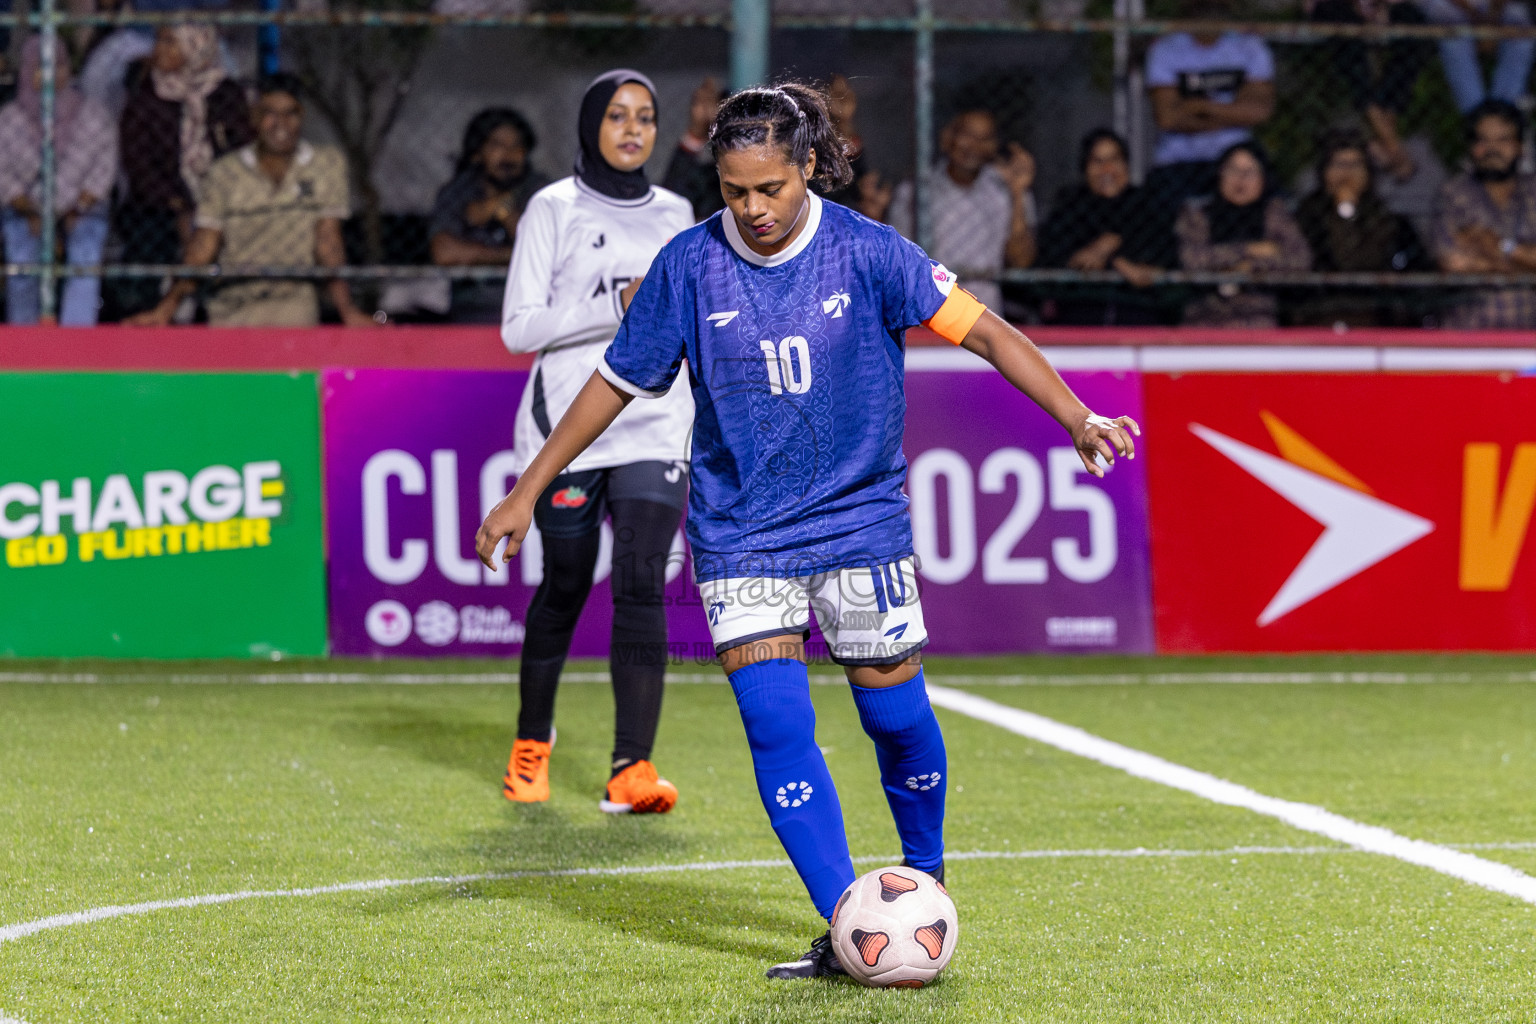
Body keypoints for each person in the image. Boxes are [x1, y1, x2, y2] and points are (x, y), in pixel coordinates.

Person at [475, 81, 1139, 980]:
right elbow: (612, 384)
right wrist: (527, 487)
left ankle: (923, 891)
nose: (750, 209)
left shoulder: (870, 253)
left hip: (860, 525)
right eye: (733, 191)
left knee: (894, 716)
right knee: (776, 725)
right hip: (741, 535)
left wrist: (1075, 415)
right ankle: (848, 926)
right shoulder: (688, 266)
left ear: (809, 169)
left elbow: (987, 333)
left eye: (769, 190)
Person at [496, 70, 695, 815]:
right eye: (617, 115)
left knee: (643, 581)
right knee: (567, 584)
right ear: (591, 124)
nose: (633, 129)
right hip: (569, 428)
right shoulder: (553, 208)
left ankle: (630, 769)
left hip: (655, 422)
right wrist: (615, 304)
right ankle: (530, 743)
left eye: (646, 116)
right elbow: (519, 329)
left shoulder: (678, 212)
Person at [127, 73, 373, 327]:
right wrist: (165, 310)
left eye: (291, 114)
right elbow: (204, 245)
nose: (281, 124)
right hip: (233, 298)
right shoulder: (225, 172)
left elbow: (328, 241)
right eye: (270, 114)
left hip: (292, 299)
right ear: (254, 117)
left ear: (302, 117)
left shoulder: (325, 165)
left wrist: (348, 310)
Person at [116, 24, 251, 318]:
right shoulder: (146, 97)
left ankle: (210, 312)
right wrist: (178, 203)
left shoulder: (226, 94)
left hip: (220, 199)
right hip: (160, 205)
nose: (159, 50)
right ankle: (153, 315)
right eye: (160, 41)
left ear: (195, 47)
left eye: (170, 42)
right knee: (150, 237)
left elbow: (240, 152)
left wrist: (209, 202)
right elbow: (137, 163)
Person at [0, 36, 116, 325]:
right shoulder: (8, 120)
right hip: (26, 210)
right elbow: (3, 175)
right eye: (42, 67)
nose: (53, 74)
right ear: (27, 71)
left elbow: (104, 168)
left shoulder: (94, 114)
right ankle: (25, 338)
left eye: (60, 65)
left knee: (85, 256)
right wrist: (30, 211)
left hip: (81, 208)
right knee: (23, 261)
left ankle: (76, 341)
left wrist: (76, 208)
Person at [888, 108, 1036, 310]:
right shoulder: (917, 191)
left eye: (984, 138)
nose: (974, 146)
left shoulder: (1005, 190)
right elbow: (897, 260)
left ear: (994, 146)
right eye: (967, 135)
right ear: (948, 138)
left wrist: (1018, 194)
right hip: (929, 309)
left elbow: (1021, 261)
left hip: (985, 312)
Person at [1036, 129, 1177, 325]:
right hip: (1078, 315)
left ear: (1126, 165)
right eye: (1097, 161)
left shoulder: (1147, 205)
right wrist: (1116, 261)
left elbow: (1160, 263)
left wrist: (1110, 253)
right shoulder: (1070, 207)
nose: (1107, 169)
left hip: (1139, 313)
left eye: (1115, 160)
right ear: (1084, 168)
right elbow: (1056, 259)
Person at [1144, 1, 1276, 209]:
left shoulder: (1248, 46)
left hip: (1236, 157)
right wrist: (1233, 116)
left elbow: (1259, 112)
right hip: (1178, 160)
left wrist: (1199, 107)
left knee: (1275, 199)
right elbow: (1167, 118)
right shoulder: (1167, 49)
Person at [1294, 128, 1430, 326]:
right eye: (1339, 164)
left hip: (1376, 315)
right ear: (1323, 172)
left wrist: (1346, 213)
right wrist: (1344, 211)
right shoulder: (1305, 219)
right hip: (1320, 315)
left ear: (1368, 174)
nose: (1346, 173)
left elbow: (1360, 263)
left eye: (1355, 164)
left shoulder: (1387, 219)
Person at [428, 107, 550, 323]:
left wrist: (503, 213)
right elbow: (445, 253)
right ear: (478, 152)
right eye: (497, 145)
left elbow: (549, 253)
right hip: (471, 312)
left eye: (517, 146)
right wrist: (513, 255)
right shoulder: (459, 191)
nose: (508, 155)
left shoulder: (542, 191)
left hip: (534, 310)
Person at [1175, 140, 1311, 328]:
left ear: (1264, 178)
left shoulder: (1274, 213)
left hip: (1260, 315)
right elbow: (1193, 260)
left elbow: (1299, 260)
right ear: (1219, 174)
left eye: (1250, 172)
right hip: (1204, 315)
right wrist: (1248, 250)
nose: (1240, 179)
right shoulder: (1198, 213)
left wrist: (1247, 269)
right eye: (1232, 170)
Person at [1433, 99, 1536, 328]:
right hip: (1469, 335)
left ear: (1520, 146)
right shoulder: (1453, 194)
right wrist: (1526, 265)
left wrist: (1501, 246)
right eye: (1483, 140)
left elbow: (1472, 263)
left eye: (1503, 140)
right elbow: (1453, 263)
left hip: (1529, 336)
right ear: (1471, 147)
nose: (1492, 149)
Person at [1307, 1, 1434, 181]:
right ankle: (1388, 139)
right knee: (1342, 25)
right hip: (1337, 12)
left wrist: (1382, 7)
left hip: (1381, 10)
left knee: (1413, 23)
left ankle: (1385, 130)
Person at [1421, 0, 1534, 113]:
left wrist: (1491, 21)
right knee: (1453, 35)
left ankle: (1504, 111)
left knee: (1520, 28)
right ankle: (1476, 114)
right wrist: (1478, 22)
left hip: (1490, 7)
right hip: (1449, 6)